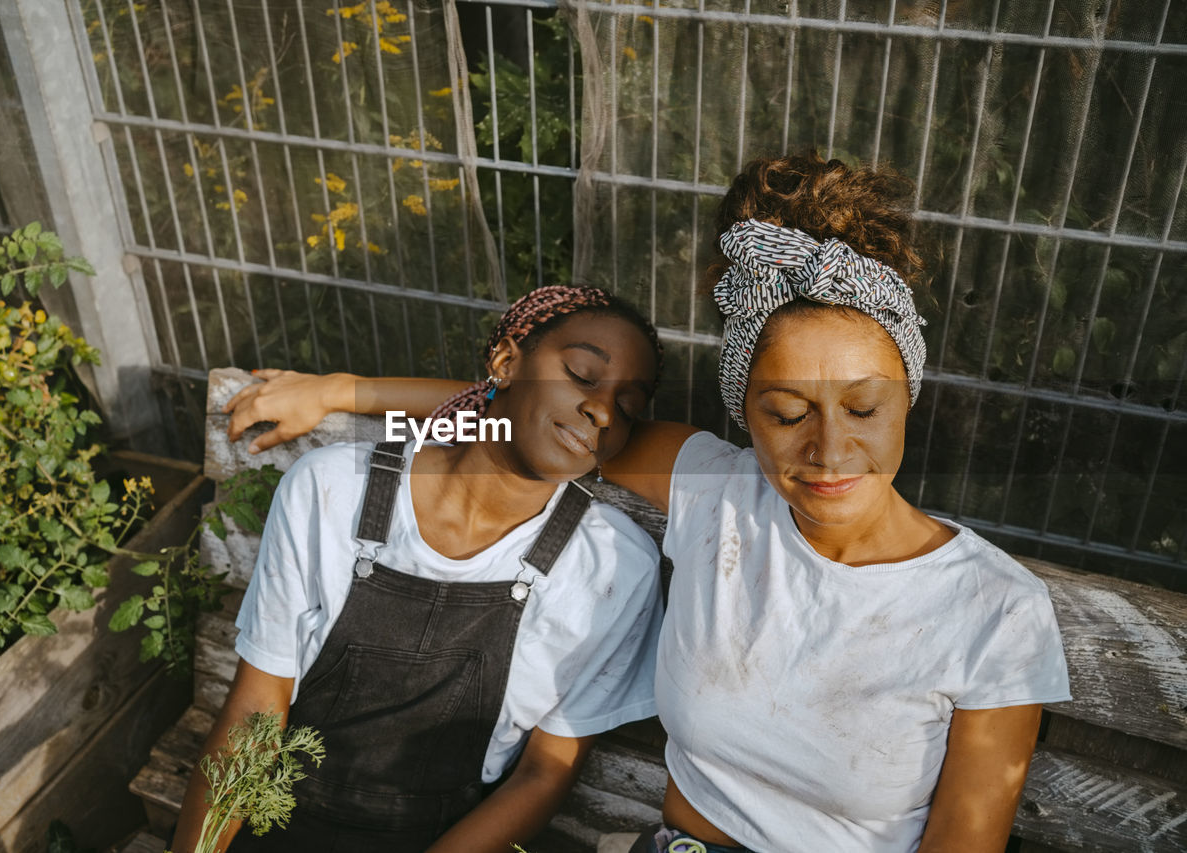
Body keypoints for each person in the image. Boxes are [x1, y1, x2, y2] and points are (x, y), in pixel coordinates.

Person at [223, 153, 1071, 852]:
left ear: (908, 400)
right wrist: (344, 390)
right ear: (746, 415)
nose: (829, 450)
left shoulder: (994, 610)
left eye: (863, 407)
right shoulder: (718, 493)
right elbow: (520, 407)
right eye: (786, 413)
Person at [175, 285, 667, 853]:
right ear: (506, 361)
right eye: (582, 374)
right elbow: (256, 710)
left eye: (629, 406)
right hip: (278, 816)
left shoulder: (611, 568)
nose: (604, 409)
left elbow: (544, 773)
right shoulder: (332, 489)